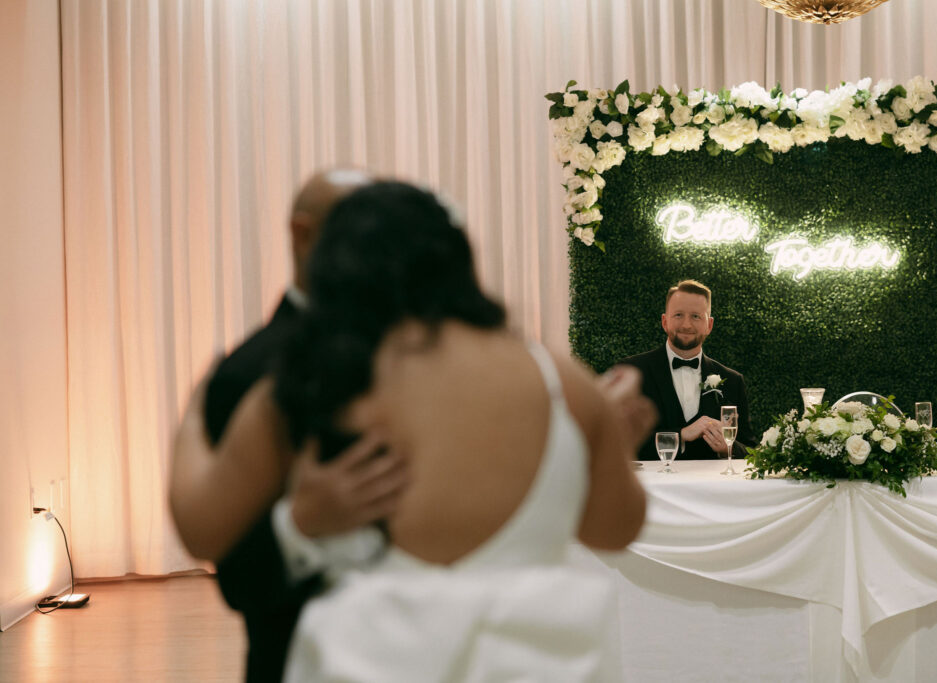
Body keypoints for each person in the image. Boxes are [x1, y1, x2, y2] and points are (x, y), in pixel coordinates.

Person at [171, 180, 651, 682]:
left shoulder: (315, 381)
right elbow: (615, 529)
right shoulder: (564, 383)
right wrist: (608, 445)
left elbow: (200, 528)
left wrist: (193, 417)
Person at [176, 169, 410, 683]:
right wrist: (299, 526)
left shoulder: (416, 353)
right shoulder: (248, 372)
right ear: (304, 235)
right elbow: (239, 582)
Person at [620, 279, 756, 461]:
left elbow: (750, 450)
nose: (686, 325)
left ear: (709, 325)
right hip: (651, 489)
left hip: (712, 488)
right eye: (678, 315)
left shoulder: (732, 381)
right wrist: (681, 435)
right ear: (664, 321)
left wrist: (728, 448)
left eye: (696, 316)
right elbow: (618, 442)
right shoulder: (632, 372)